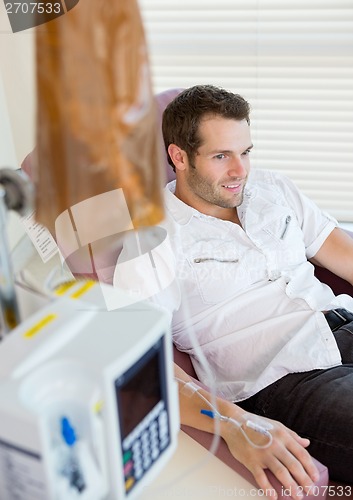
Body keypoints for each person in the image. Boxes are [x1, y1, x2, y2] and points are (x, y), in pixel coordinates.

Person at [114, 84, 353, 496]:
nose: (240, 170)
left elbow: (342, 252)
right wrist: (236, 423)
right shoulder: (150, 242)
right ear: (179, 157)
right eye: (222, 156)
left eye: (245, 152)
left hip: (342, 325)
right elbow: (143, 367)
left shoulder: (274, 190)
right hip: (289, 378)